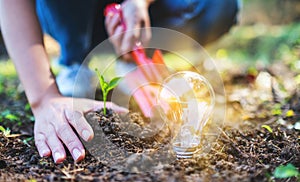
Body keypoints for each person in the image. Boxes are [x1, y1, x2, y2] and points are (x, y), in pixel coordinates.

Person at [0, 0, 239, 163]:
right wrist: (44, 98)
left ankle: (134, 53)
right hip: (65, 11)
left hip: (139, 12)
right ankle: (75, 60)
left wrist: (139, 2)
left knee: (219, 5)